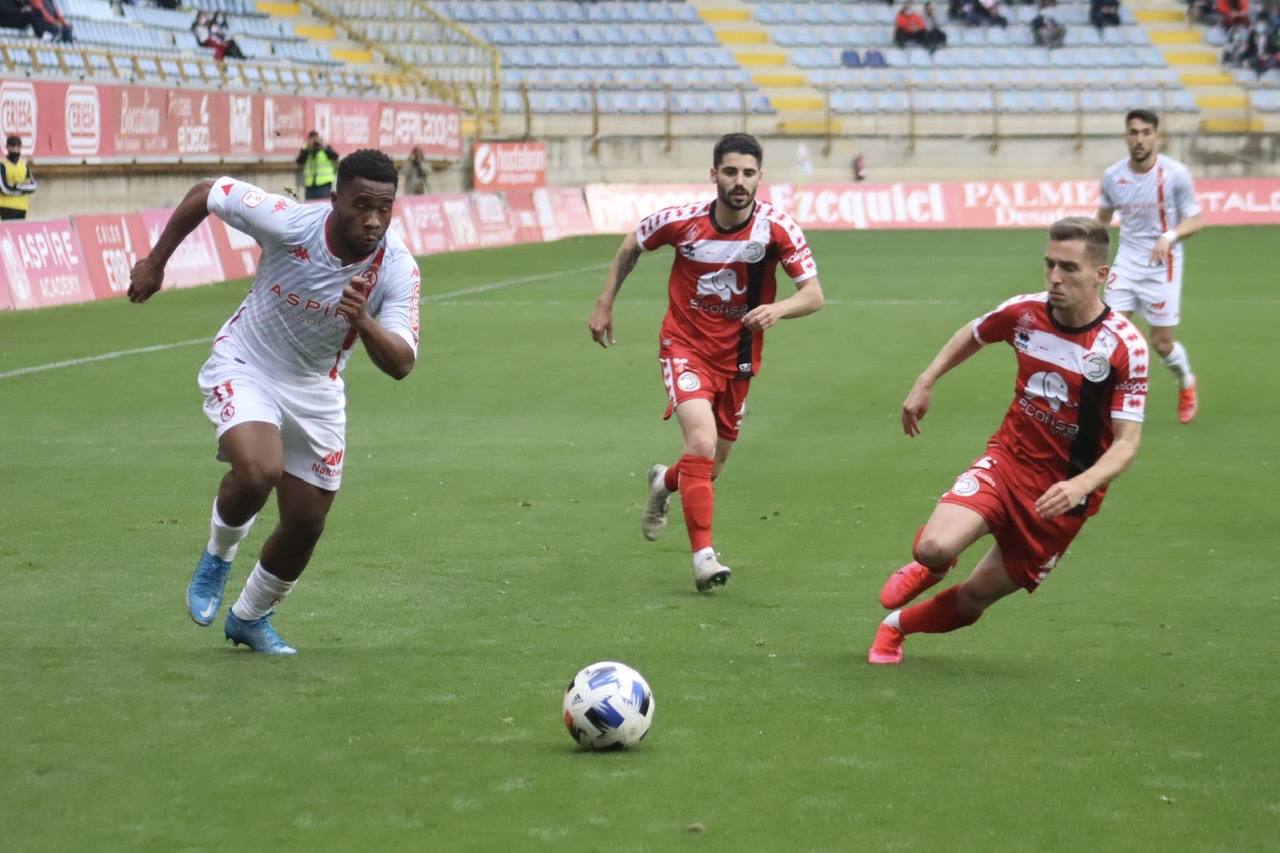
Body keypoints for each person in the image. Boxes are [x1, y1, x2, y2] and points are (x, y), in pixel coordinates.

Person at [126, 149, 421, 654]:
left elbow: (402, 364)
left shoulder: (397, 268)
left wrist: (364, 323)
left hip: (316, 387)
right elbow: (206, 192)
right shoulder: (290, 223)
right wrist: (155, 263)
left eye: (384, 209)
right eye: (361, 206)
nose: (373, 220)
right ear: (334, 199)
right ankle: (219, 555)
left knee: (307, 522)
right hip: (247, 364)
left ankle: (250, 617)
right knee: (259, 470)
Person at [867, 217, 1147, 665]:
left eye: (1069, 268)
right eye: (1050, 264)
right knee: (931, 546)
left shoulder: (1123, 347)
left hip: (1063, 497)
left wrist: (1080, 485)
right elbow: (974, 333)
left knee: (976, 598)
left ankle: (897, 628)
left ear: (1102, 276)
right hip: (1009, 462)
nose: (1055, 277)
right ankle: (935, 565)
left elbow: (1127, 443)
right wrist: (926, 380)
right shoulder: (1025, 313)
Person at [586, 133, 825, 592]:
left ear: (760, 177)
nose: (740, 181)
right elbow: (633, 242)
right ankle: (703, 558)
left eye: (749, 173)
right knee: (700, 441)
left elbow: (814, 295)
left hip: (737, 358)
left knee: (708, 466)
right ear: (713, 174)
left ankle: (663, 482)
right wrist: (605, 302)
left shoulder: (777, 228)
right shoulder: (683, 222)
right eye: (731, 171)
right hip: (685, 346)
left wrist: (779, 309)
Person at [1095, 109, 1202, 423]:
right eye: (1133, 132)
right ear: (1125, 135)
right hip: (1127, 262)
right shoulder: (1113, 176)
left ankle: (1186, 381)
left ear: (1156, 136)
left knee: (1162, 343)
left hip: (1162, 266)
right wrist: (1087, 252)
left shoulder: (1175, 174)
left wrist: (1169, 236)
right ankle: (1106, 403)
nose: (1139, 139)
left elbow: (1195, 220)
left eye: (1145, 132)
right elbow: (1102, 218)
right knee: (1107, 333)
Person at [0, 135, 37, 220]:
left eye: (18, 146)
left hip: (22, 206)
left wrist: (15, 185)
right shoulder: (2, 164)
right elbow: (5, 189)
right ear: (7, 147)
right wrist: (24, 187)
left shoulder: (24, 164)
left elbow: (33, 187)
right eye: (13, 146)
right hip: (6, 206)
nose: (15, 149)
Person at [297, 130, 340, 201]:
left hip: (324, 184)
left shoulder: (325, 147)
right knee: (310, 207)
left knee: (323, 205)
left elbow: (335, 156)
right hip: (310, 185)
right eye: (312, 139)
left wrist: (323, 147)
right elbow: (299, 161)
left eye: (315, 139)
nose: (314, 142)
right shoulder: (306, 148)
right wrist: (308, 149)